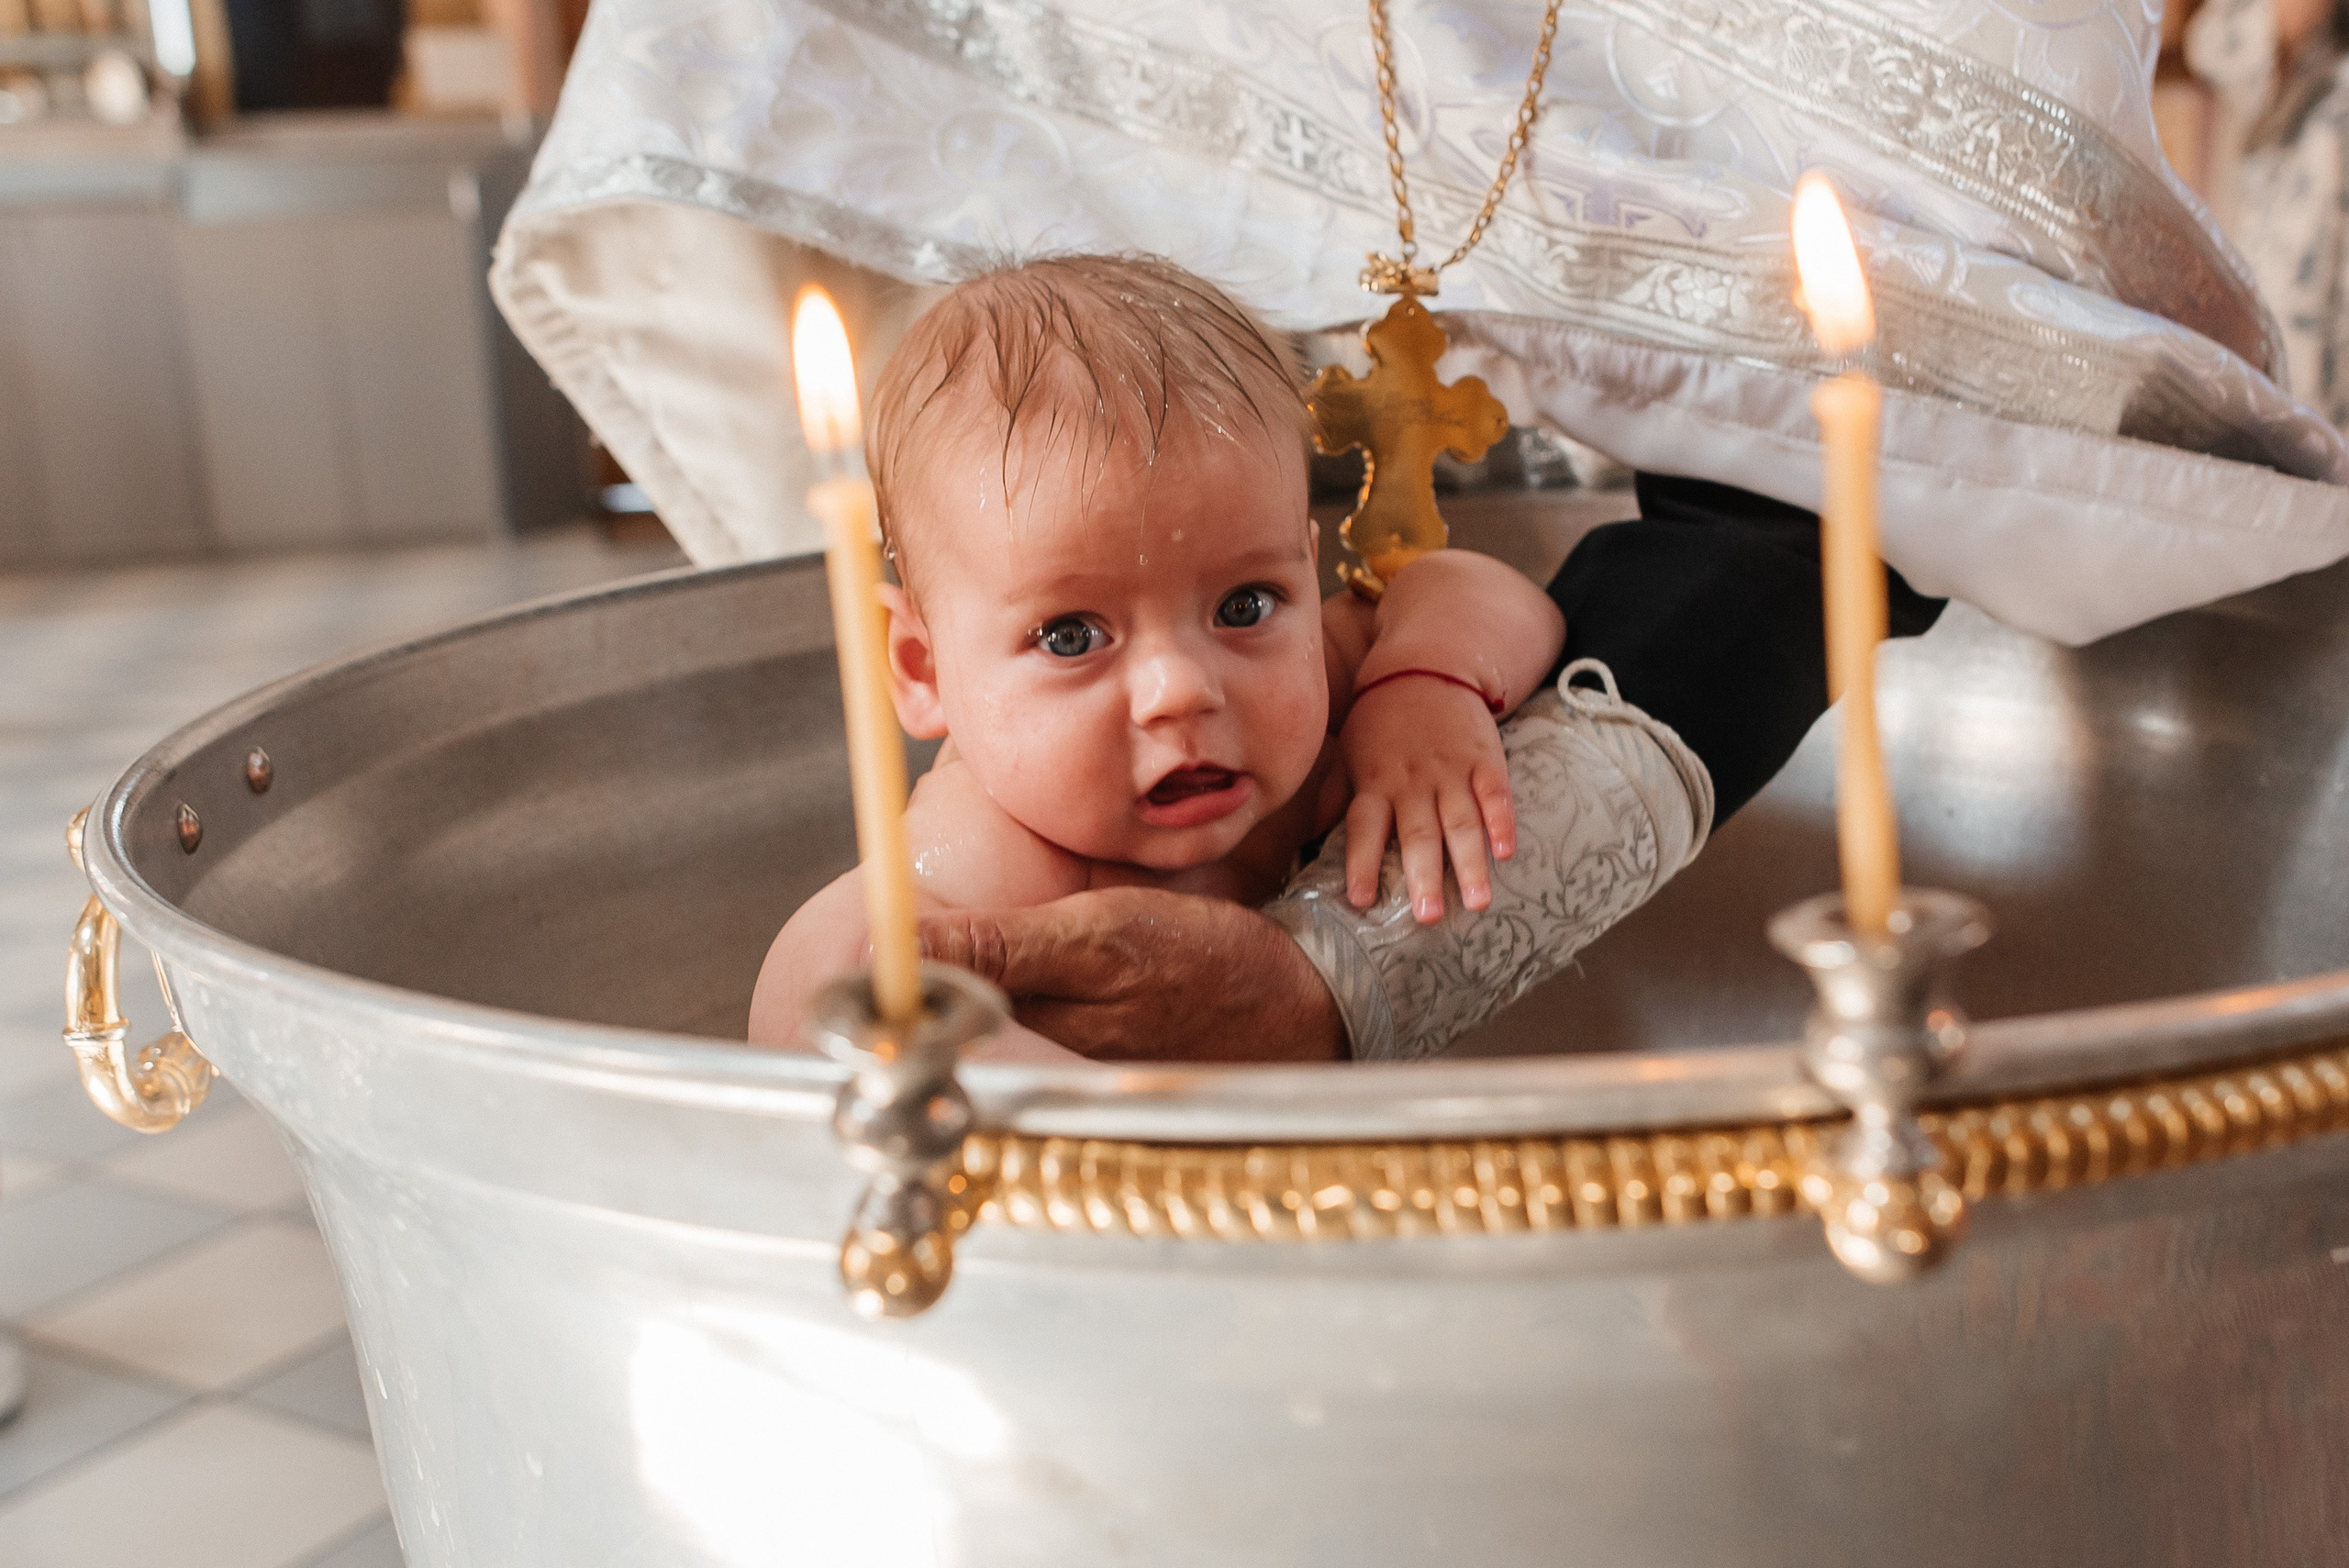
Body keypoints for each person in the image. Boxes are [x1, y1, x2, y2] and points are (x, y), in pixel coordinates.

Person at [747, 255, 1566, 1056]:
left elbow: (1476, 587)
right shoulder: (995, 858)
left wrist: (1423, 681)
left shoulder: (1316, 689)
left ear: (1305, 573)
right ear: (923, 670)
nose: (1181, 688)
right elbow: (812, 987)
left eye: (1243, 605)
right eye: (1071, 636)